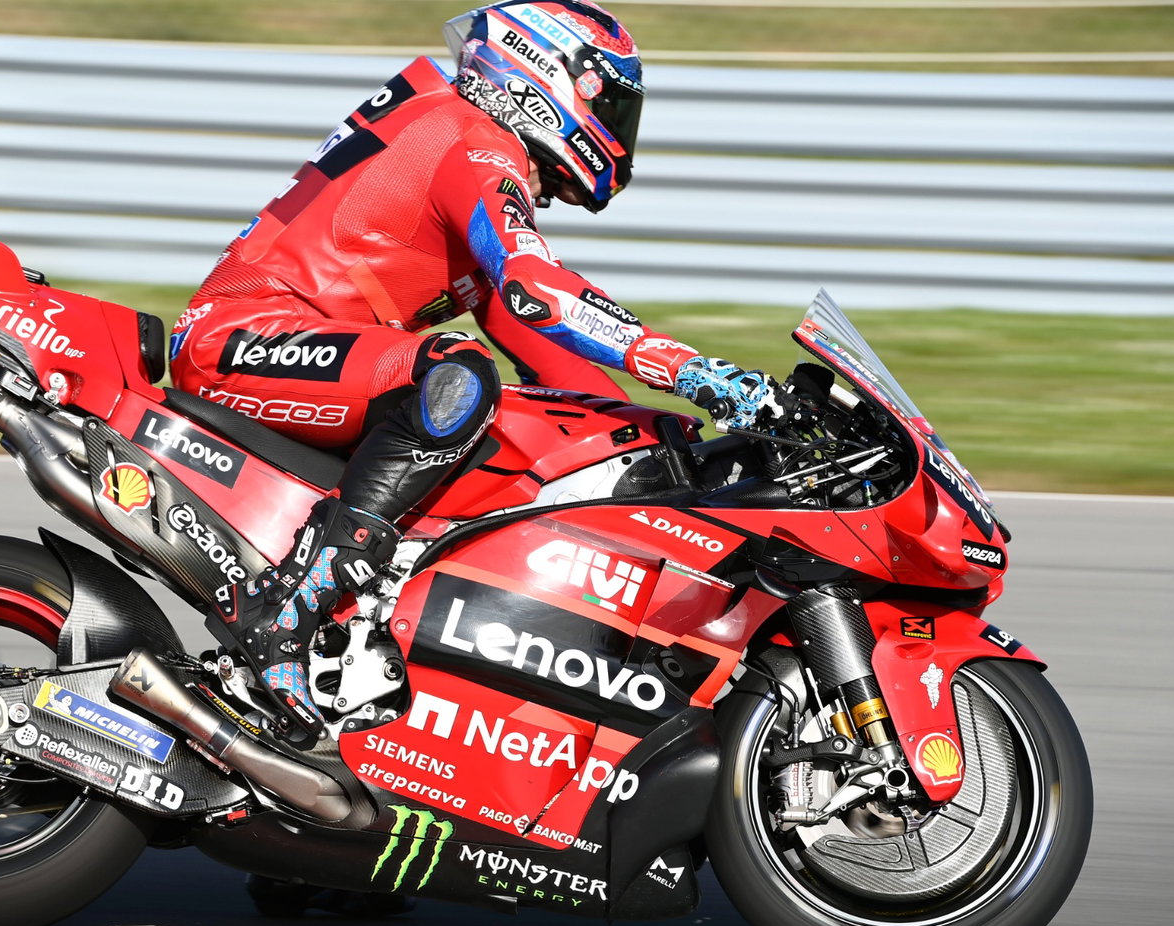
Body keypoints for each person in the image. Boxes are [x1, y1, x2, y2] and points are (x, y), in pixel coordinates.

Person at [168, 0, 781, 737]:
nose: (619, 129)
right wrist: (694, 371)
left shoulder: (464, 140)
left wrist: (668, 446)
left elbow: (549, 345)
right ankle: (290, 610)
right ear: (554, 77)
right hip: (243, 337)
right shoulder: (472, 141)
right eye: (611, 104)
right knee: (457, 376)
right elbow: (539, 288)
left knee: (522, 416)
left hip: (295, 346)